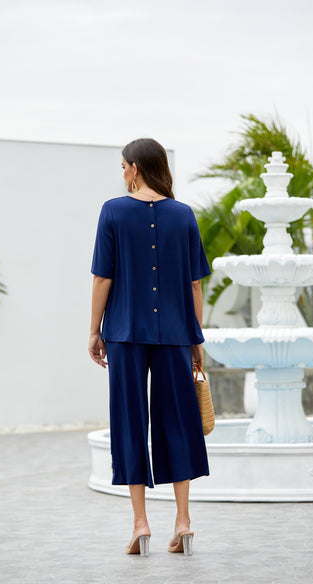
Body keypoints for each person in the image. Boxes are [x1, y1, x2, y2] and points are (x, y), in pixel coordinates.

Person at [88, 138, 211, 557]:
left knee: (130, 421)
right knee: (179, 421)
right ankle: (183, 520)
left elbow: (102, 278)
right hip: (175, 334)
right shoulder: (183, 215)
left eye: (123, 165)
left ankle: (141, 524)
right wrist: (195, 336)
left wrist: (93, 330)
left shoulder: (112, 211)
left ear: (136, 168)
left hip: (124, 333)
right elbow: (194, 284)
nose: (122, 172)